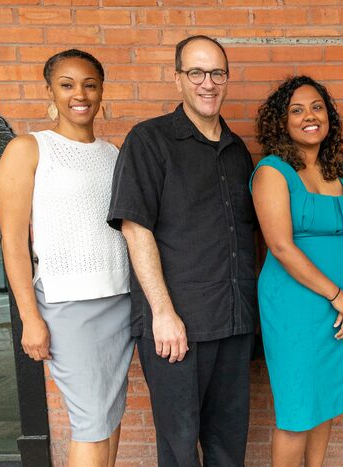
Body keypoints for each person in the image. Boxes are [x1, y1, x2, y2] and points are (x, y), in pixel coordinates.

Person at [107, 35, 257, 466]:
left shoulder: (236, 149)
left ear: (226, 79)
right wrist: (163, 313)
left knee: (229, 445)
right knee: (179, 448)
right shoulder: (149, 141)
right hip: (177, 328)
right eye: (196, 72)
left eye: (216, 73)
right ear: (179, 79)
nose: (207, 83)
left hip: (232, 321)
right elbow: (135, 229)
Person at [0, 49, 131, 467]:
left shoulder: (112, 154)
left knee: (109, 420)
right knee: (91, 424)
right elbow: (14, 242)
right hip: (68, 308)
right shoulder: (29, 148)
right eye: (68, 84)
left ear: (101, 91)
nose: (80, 94)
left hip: (120, 300)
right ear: (50, 91)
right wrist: (30, 318)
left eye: (90, 84)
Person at [251, 75, 343, 466]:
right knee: (298, 408)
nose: (309, 116)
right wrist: (339, 296)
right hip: (295, 306)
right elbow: (281, 247)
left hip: (342, 304)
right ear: (281, 122)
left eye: (317, 106)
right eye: (296, 110)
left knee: (325, 400)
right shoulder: (272, 171)